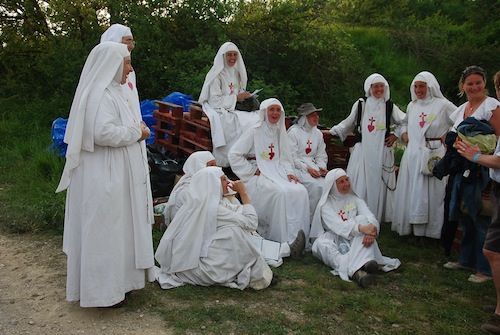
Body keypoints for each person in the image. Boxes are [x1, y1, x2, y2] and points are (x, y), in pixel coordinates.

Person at [55, 42, 154, 307]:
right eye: (126, 63)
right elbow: (103, 133)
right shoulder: (99, 95)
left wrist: (136, 127)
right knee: (105, 231)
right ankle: (103, 292)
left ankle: (122, 284)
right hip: (103, 175)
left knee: (120, 230)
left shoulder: (116, 91)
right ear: (112, 64)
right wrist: (138, 132)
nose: (130, 69)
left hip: (117, 174)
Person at [155, 166, 273, 290]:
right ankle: (225, 270)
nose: (228, 182)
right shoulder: (213, 209)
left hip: (194, 258)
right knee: (235, 232)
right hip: (203, 268)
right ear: (213, 184)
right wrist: (244, 194)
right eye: (223, 179)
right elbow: (251, 223)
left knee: (235, 230)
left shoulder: (201, 202)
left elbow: (237, 212)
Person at [443, 66, 499, 284]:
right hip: (462, 166)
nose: (474, 87)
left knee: (480, 216)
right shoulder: (461, 109)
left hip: (482, 168)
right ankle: (465, 259)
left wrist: (479, 152)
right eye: (470, 83)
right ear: (463, 86)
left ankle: (484, 269)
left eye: (478, 82)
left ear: (484, 83)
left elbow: (498, 140)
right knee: (464, 214)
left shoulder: (491, 106)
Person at [228, 98, 310, 248]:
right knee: (280, 193)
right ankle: (281, 240)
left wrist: (290, 173)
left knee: (301, 191)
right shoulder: (254, 130)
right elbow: (234, 154)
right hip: (258, 173)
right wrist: (251, 171)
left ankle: (298, 237)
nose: (275, 113)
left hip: (278, 172)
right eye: (272, 109)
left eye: (278, 110)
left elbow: (285, 157)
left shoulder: (280, 131)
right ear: (265, 111)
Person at [456, 70, 500, 333]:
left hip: (483, 175)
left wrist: (476, 156)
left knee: (493, 249)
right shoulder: (463, 108)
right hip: (491, 181)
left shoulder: (493, 110)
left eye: (479, 83)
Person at [329, 73, 406, 223]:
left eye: (381, 86)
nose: (378, 89)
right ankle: (358, 213)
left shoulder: (389, 106)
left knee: (379, 182)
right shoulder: (361, 104)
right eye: (375, 86)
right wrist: (335, 131)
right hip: (363, 151)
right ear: (369, 88)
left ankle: (377, 215)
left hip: (381, 152)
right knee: (360, 182)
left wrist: (396, 135)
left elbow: (405, 121)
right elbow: (349, 122)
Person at [391, 71, 457, 239]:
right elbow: (403, 123)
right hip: (413, 153)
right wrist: (404, 134)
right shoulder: (412, 106)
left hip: (434, 153)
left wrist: (448, 134)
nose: (419, 90)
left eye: (422, 86)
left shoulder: (443, 105)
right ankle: (413, 229)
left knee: (434, 193)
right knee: (412, 190)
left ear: (430, 86)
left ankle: (432, 231)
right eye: (416, 86)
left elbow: (460, 121)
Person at [310, 169, 400, 288]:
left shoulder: (355, 199)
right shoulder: (326, 205)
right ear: (333, 186)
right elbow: (338, 226)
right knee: (320, 245)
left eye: (347, 179)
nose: (346, 184)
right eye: (341, 182)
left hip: (356, 239)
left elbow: (370, 217)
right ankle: (363, 264)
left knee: (362, 218)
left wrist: (371, 233)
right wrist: (362, 229)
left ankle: (356, 272)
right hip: (335, 237)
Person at [199, 42, 260, 167]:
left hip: (233, 107)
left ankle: (247, 155)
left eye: (234, 55)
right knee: (232, 121)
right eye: (229, 55)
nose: (232, 58)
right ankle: (227, 159)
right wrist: (236, 98)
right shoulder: (216, 75)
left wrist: (245, 96)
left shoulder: (236, 73)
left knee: (258, 117)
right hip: (219, 108)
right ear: (223, 56)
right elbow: (214, 101)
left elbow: (237, 91)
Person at [287, 103, 328, 220]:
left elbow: (321, 154)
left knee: (328, 185)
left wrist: (321, 167)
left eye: (317, 115)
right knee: (315, 187)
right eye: (312, 115)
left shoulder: (318, 133)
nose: (316, 118)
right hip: (298, 167)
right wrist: (307, 169)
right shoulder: (293, 132)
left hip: (313, 166)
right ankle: (310, 219)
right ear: (304, 118)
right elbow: (292, 157)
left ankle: (323, 219)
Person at [162, 151, 216, 226]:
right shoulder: (187, 189)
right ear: (199, 166)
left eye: (215, 166)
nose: (215, 169)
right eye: (211, 166)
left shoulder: (204, 182)